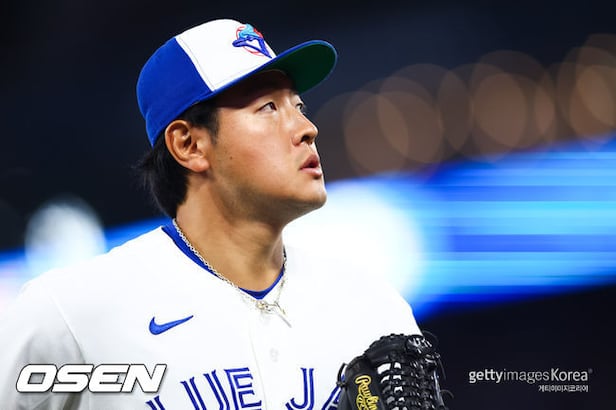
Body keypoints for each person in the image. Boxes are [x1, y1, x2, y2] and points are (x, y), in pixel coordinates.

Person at [0, 18, 420, 408]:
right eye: (268, 107)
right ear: (189, 145)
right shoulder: (74, 311)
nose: (306, 129)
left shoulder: (373, 308)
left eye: (298, 106)